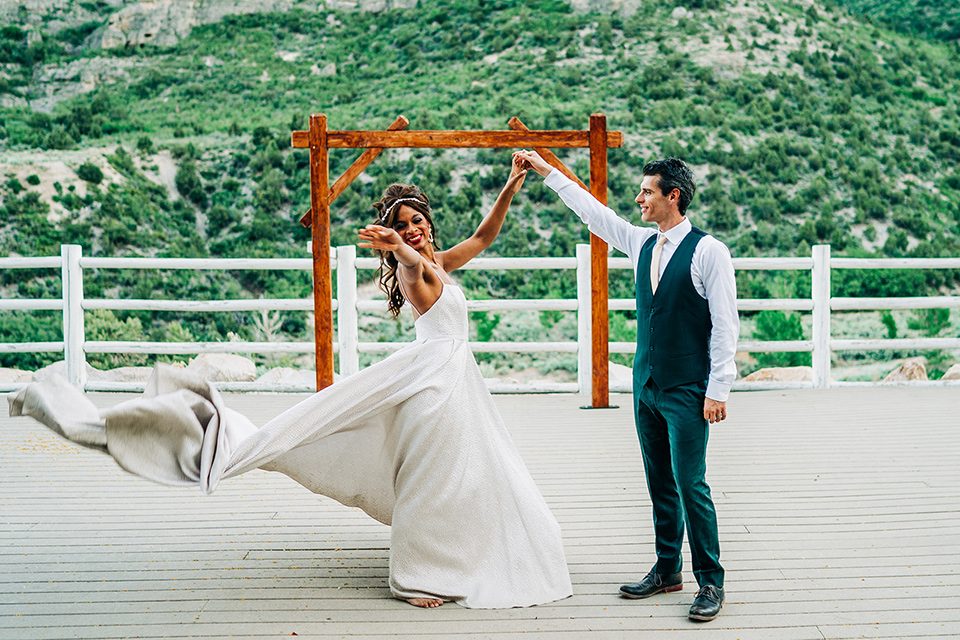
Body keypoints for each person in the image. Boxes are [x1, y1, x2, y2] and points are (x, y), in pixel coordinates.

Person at [8, 155, 573, 610]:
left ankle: (458, 555)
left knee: (468, 474)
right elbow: (408, 264)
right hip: (433, 391)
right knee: (431, 478)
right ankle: (417, 577)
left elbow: (483, 236)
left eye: (417, 220)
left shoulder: (442, 261)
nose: (413, 229)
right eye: (403, 225)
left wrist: (511, 185)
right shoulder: (415, 267)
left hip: (455, 385)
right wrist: (397, 247)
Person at [514, 150, 738, 622]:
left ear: (672, 197)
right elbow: (593, 213)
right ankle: (667, 569)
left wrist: (719, 388)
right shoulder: (640, 243)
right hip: (647, 386)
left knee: (690, 483)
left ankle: (711, 582)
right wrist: (545, 170)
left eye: (647, 192)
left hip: (688, 390)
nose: (638, 199)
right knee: (659, 482)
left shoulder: (708, 251)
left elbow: (725, 324)